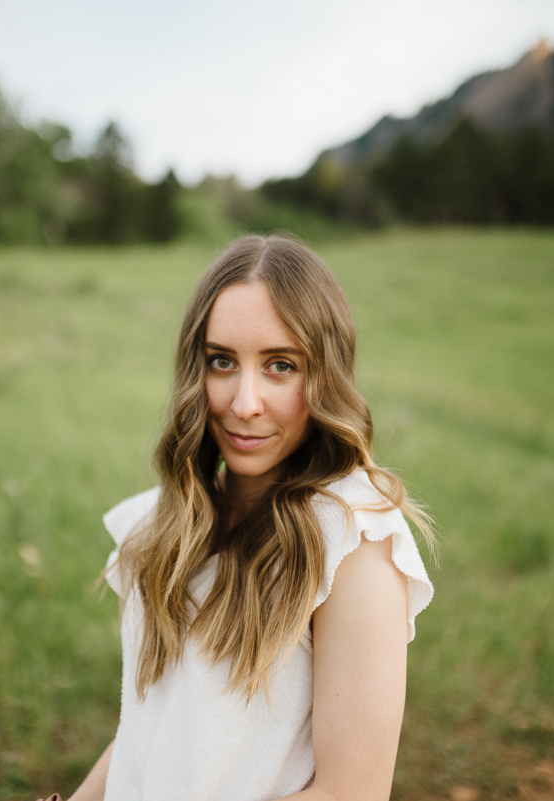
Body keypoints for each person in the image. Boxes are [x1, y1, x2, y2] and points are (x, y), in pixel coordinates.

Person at [46, 234, 435, 801]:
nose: (244, 402)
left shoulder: (353, 542)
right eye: (222, 361)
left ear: (324, 376)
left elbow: (350, 794)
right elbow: (155, 730)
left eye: (281, 366)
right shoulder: (166, 522)